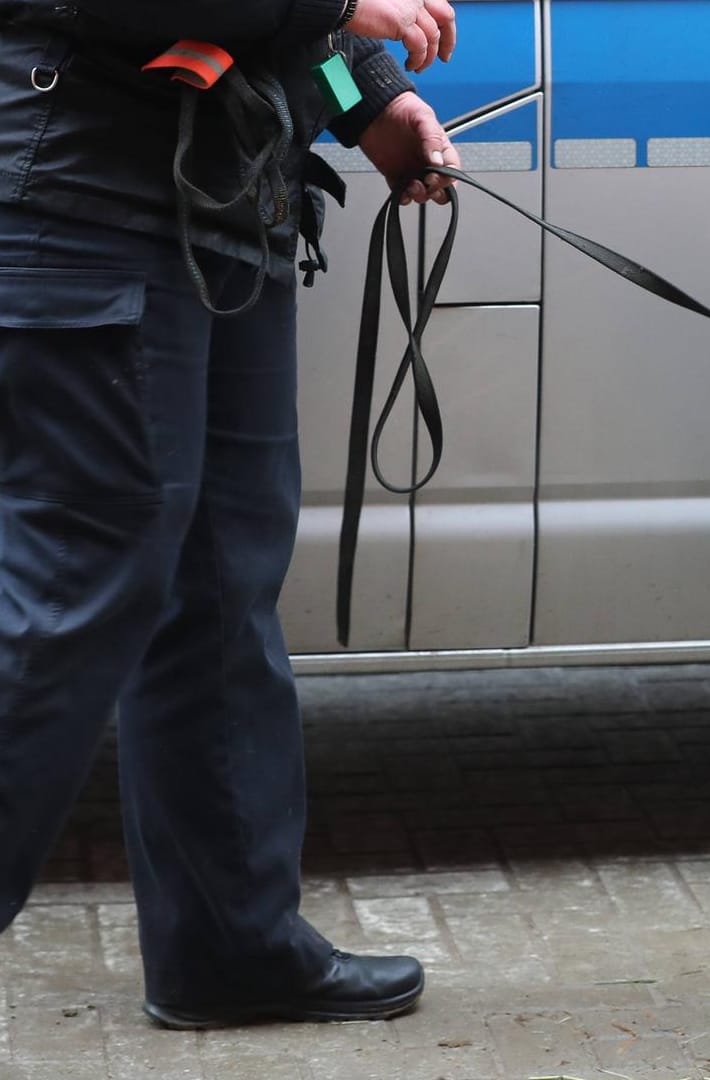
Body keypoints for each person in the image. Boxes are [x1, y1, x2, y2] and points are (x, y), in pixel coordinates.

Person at [0, 0, 463, 1028]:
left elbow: (285, 34)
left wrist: (369, 98)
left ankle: (229, 950)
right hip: (88, 204)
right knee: (71, 598)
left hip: (220, 206)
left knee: (219, 590)